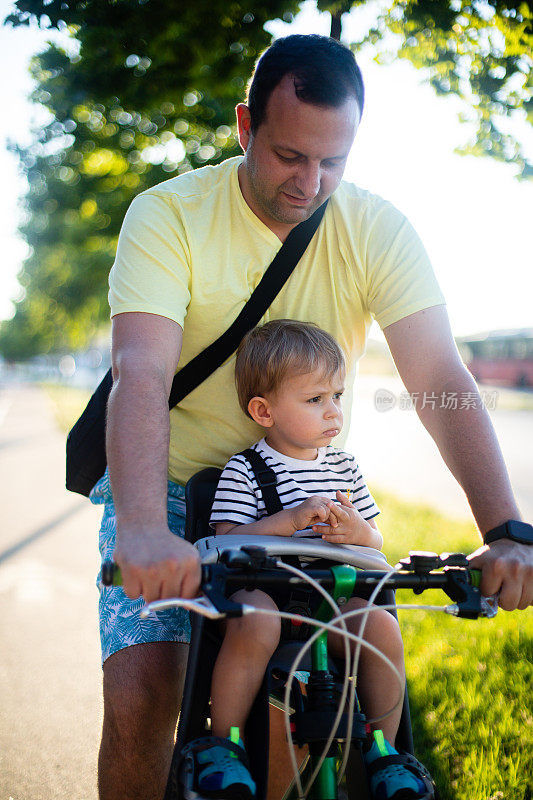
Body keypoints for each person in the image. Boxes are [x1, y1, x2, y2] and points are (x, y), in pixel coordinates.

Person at [93, 33, 533, 800]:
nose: (311, 181)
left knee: (354, 681)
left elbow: (435, 373)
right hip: (170, 495)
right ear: (244, 127)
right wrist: (141, 528)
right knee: (143, 698)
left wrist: (504, 529)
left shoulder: (375, 227)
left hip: (315, 491)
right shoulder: (168, 214)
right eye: (290, 156)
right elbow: (141, 371)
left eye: (333, 161)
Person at [199, 319, 431, 800]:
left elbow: (375, 541)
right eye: (315, 400)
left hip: (331, 601)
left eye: (337, 397)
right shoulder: (246, 469)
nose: (333, 413)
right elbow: (223, 540)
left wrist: (359, 532)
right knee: (256, 617)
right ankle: (223, 745)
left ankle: (384, 751)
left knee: (380, 625)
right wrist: (284, 521)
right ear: (264, 411)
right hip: (266, 600)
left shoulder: (344, 467)